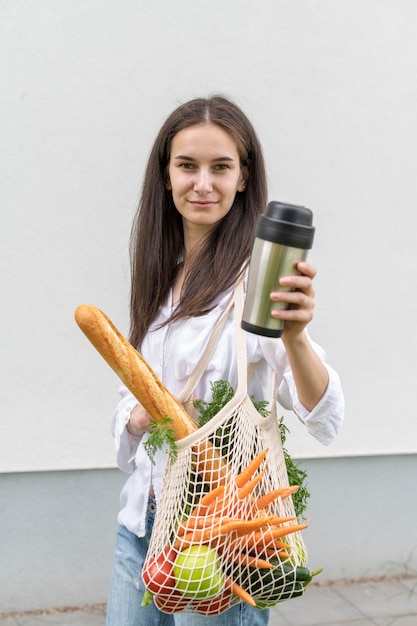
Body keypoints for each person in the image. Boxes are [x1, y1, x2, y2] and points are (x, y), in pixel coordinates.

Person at [105, 95, 344, 626]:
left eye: (221, 167)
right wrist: (141, 414)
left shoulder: (255, 286)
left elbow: (323, 411)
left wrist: (298, 337)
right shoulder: (159, 279)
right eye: (187, 166)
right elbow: (129, 403)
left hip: (223, 537)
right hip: (141, 524)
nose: (203, 184)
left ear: (243, 178)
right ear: (165, 177)